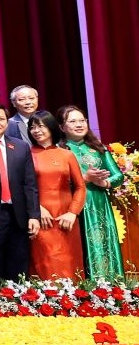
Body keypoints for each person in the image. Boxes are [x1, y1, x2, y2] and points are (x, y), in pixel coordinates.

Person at [0, 102, 41, 279]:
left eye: (1, 119)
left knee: (18, 265)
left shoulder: (20, 146)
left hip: (17, 214)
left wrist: (34, 215)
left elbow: (30, 184)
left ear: (7, 122)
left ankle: (18, 295)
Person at [61, 105, 125, 279]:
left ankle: (111, 285)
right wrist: (85, 178)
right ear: (62, 127)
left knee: (103, 242)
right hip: (73, 205)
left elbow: (118, 176)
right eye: (72, 121)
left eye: (82, 120)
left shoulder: (98, 148)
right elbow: (56, 182)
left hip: (99, 203)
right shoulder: (60, 151)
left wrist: (104, 182)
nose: (79, 124)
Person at [25, 110, 85, 279]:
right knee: (45, 261)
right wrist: (37, 209)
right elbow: (22, 187)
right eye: (32, 127)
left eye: (41, 126)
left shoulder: (67, 155)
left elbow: (80, 187)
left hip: (66, 218)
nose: (36, 130)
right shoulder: (26, 154)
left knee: (70, 263)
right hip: (40, 218)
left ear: (51, 127)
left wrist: (72, 213)